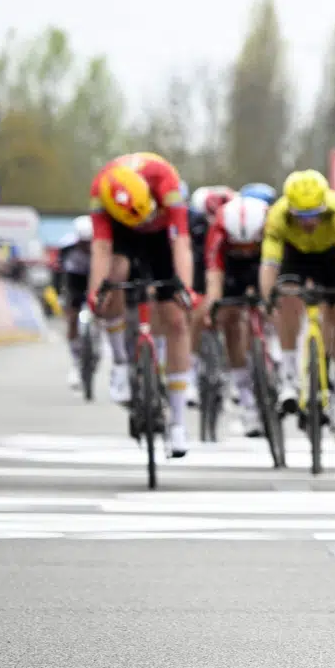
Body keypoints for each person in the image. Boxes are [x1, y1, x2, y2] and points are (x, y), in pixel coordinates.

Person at [87, 152, 198, 457]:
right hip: (123, 230)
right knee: (115, 276)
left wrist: (185, 287)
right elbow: (101, 247)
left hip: (162, 234)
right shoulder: (101, 191)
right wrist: (96, 291)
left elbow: (181, 241)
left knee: (176, 318)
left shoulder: (166, 181)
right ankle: (121, 363)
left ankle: (177, 422)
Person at [257, 170, 335, 436]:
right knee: (286, 299)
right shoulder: (278, 216)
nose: (308, 221)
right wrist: (269, 299)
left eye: (314, 214)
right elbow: (269, 264)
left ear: (324, 206)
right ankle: (289, 378)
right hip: (295, 256)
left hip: (330, 258)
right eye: (301, 216)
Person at [202, 195, 268, 435]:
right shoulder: (217, 230)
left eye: (249, 246)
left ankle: (278, 357)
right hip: (231, 271)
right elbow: (214, 274)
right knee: (229, 316)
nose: (245, 251)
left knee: (279, 303)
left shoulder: (270, 227)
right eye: (240, 247)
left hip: (266, 264)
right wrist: (213, 305)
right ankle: (246, 397)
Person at [187, 186, 234, 409]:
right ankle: (192, 370)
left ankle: (231, 369)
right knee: (196, 313)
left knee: (234, 316)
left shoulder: (233, 230)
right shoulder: (193, 228)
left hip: (226, 275)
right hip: (199, 275)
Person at [55, 215, 96, 390]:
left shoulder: (101, 246)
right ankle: (75, 363)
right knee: (72, 319)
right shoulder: (66, 248)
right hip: (75, 282)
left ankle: (98, 341)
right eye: (83, 242)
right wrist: (58, 293)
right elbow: (57, 273)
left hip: (95, 280)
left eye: (90, 242)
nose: (87, 246)